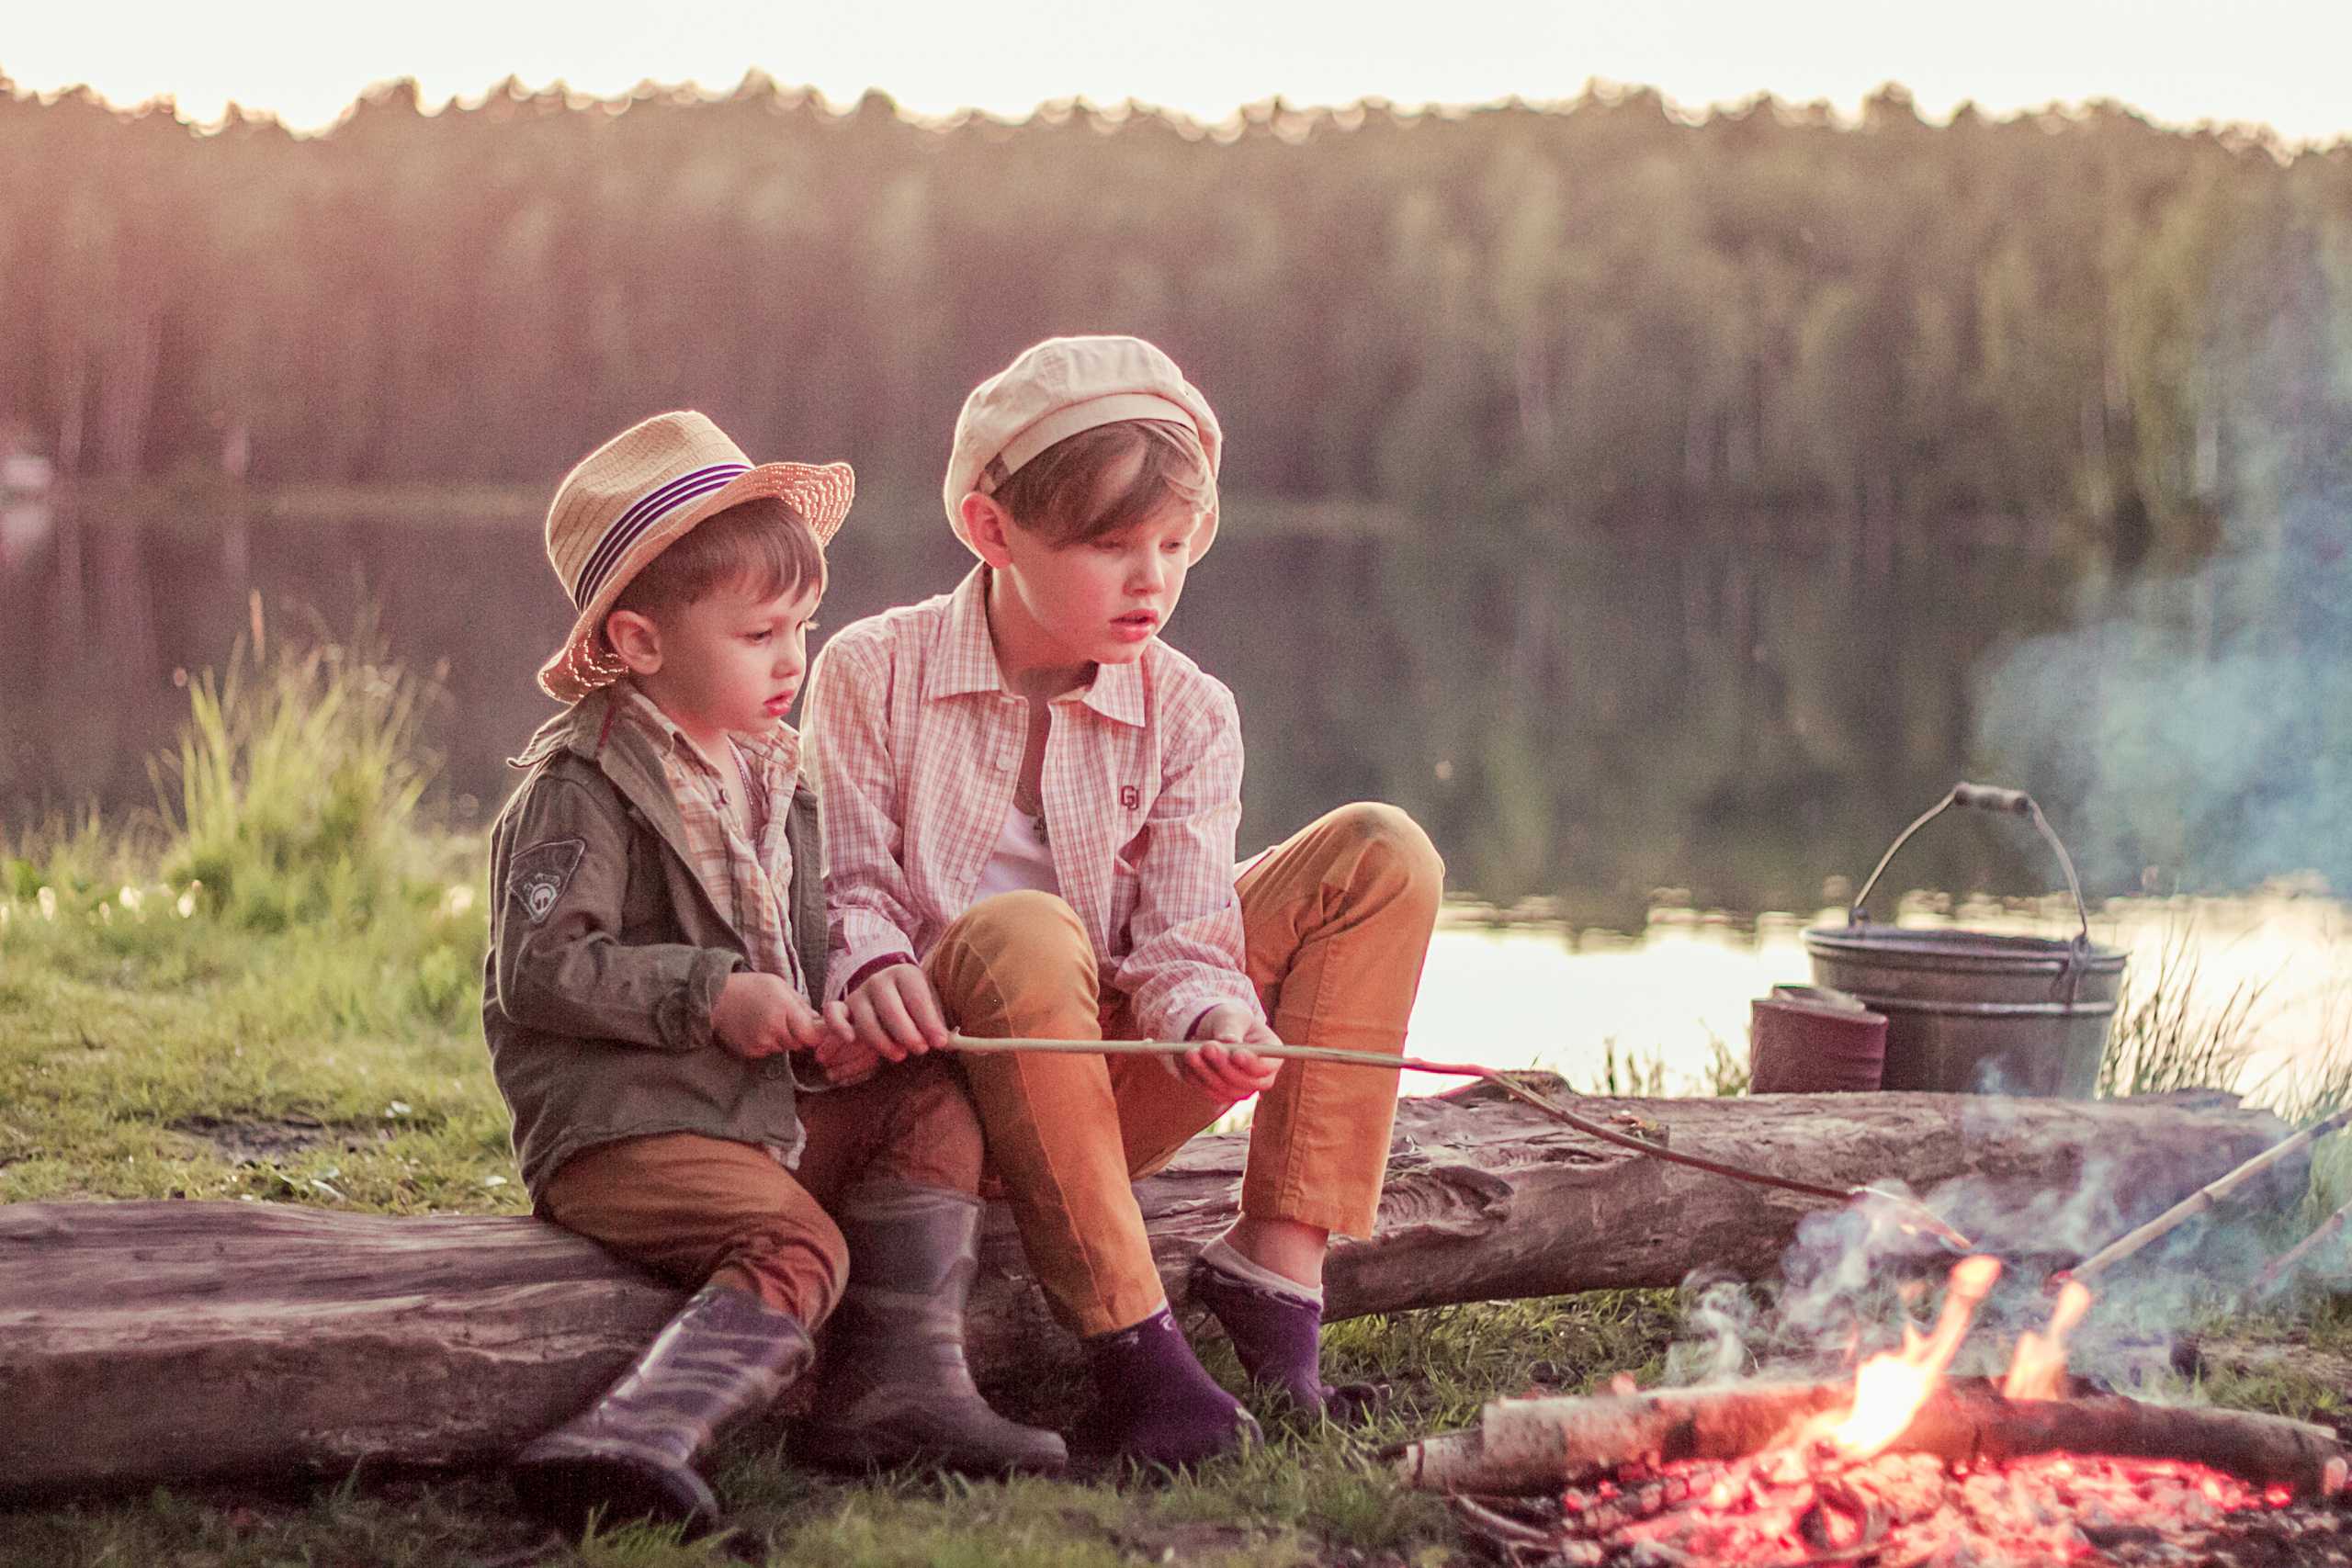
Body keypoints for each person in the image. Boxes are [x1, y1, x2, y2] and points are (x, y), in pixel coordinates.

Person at [804, 336, 1444, 1468]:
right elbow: (844, 889)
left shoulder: (1189, 709)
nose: (1151, 580)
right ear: (991, 530)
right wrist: (871, 965)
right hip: (938, 1114)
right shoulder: (870, 670)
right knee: (1025, 928)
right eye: (1109, 546)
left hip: (1097, 1091)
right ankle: (1138, 1361)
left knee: (1380, 852)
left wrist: (1212, 1016)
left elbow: (1185, 940)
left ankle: (1275, 1273)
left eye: (1174, 543)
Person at [484, 412, 1061, 1538]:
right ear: (641, 643)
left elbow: (792, 945)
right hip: (625, 1129)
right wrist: (711, 995)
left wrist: (831, 1015)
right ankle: (628, 1437)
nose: (794, 658)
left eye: (803, 625)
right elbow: (540, 970)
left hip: (744, 1111)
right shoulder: (582, 786)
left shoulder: (773, 777)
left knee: (931, 1097)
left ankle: (896, 1392)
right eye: (759, 633)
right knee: (800, 1245)